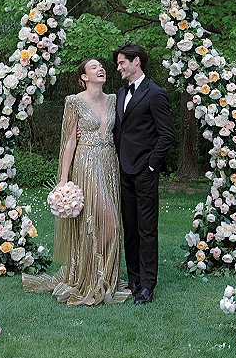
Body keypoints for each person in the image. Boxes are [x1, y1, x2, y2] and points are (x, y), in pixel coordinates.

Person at [22, 58, 131, 306]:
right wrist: (63, 178)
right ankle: (88, 271)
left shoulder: (114, 99)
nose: (101, 69)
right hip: (87, 162)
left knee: (108, 221)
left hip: (110, 163)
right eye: (94, 67)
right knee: (107, 222)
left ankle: (98, 273)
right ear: (83, 76)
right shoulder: (74, 101)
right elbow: (70, 141)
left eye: (101, 66)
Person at [113, 42, 175, 304]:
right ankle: (134, 279)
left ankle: (148, 285)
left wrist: (151, 165)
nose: (118, 68)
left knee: (147, 229)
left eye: (121, 62)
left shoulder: (155, 93)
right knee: (130, 228)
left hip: (145, 172)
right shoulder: (118, 93)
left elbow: (167, 134)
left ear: (136, 61)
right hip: (123, 171)